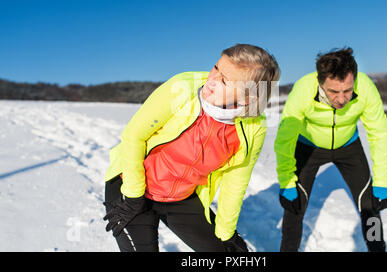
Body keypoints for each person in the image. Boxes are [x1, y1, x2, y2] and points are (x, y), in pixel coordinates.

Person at [103, 44, 280, 252]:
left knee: (235, 255)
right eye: (216, 68)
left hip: (182, 198)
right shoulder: (182, 88)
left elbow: (236, 180)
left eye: (224, 81)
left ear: (247, 98)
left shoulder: (253, 127)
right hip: (133, 185)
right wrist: (133, 196)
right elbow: (134, 136)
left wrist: (225, 232)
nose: (211, 80)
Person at [274, 47, 387, 252]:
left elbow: (379, 134)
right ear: (320, 83)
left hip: (348, 146)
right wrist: (287, 182)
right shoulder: (303, 89)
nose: (341, 99)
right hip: (308, 147)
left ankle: (378, 250)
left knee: (370, 205)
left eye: (347, 90)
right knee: (294, 206)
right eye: (333, 92)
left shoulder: (365, 87)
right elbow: (285, 139)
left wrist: (382, 183)